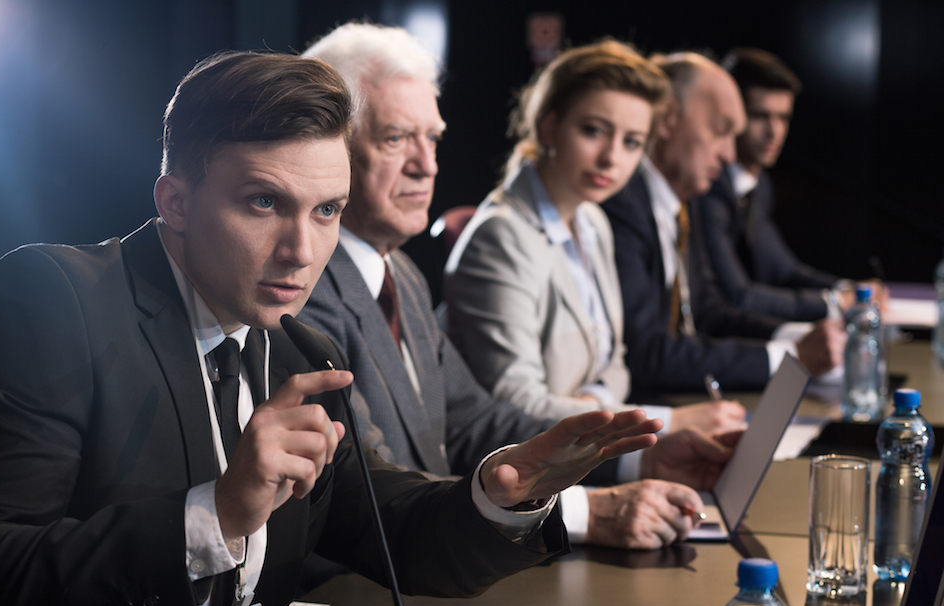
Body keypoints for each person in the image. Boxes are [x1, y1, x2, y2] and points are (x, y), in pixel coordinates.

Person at [0, 51, 664, 606]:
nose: (302, 250)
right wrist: (215, 515)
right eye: (264, 202)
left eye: (327, 211)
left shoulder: (294, 344)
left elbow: (392, 526)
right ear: (177, 201)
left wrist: (506, 492)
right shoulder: (50, 299)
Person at [299, 25, 734, 551]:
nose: (427, 164)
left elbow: (474, 421)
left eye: (433, 138)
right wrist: (581, 510)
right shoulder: (303, 288)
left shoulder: (402, 274)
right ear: (326, 150)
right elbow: (371, 490)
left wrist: (637, 453)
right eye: (396, 138)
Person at [444, 39, 745, 433]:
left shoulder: (593, 221)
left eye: (632, 142)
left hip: (584, 449)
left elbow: (617, 363)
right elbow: (517, 405)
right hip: (526, 472)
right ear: (548, 125)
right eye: (594, 131)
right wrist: (667, 422)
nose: (611, 158)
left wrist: (594, 405)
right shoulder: (500, 236)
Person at [600, 52, 845, 395]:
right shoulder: (622, 205)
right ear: (668, 117)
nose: (730, 155)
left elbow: (710, 313)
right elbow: (645, 355)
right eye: (721, 131)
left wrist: (793, 338)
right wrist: (790, 356)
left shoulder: (680, 203)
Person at [697, 48, 850, 322]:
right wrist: (834, 302)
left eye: (783, 118)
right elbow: (738, 296)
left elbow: (785, 270)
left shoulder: (759, 183)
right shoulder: (707, 185)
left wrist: (847, 289)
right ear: (733, 114)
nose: (774, 131)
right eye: (760, 116)